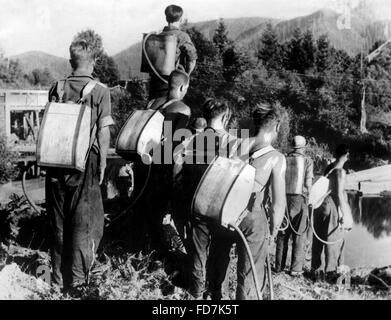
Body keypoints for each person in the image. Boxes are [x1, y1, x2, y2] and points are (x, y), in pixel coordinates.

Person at [46, 39, 114, 296]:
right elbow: (104, 130)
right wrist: (104, 162)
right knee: (83, 224)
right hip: (85, 163)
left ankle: (56, 280)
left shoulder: (57, 87)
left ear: (70, 62)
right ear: (94, 62)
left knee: (58, 221)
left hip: (55, 161)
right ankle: (77, 285)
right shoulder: (99, 90)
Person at [137, 69, 192, 254]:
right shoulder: (182, 109)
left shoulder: (153, 103)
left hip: (145, 166)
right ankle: (161, 257)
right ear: (183, 87)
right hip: (164, 170)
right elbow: (174, 146)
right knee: (167, 215)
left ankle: (144, 252)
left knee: (148, 215)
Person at [275, 136, 314, 276]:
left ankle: (278, 267)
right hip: (299, 200)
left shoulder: (283, 159)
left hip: (283, 199)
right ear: (303, 147)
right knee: (299, 235)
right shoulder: (308, 161)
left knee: (282, 234)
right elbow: (308, 185)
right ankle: (296, 269)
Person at [311, 144, 350, 282]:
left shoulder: (329, 168)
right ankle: (330, 272)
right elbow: (339, 194)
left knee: (319, 238)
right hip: (332, 205)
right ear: (346, 156)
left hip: (321, 205)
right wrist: (346, 214)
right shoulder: (340, 171)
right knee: (332, 239)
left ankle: (316, 271)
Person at [148, 5, 197, 99]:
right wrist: (186, 75)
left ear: (166, 17)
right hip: (174, 83)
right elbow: (192, 60)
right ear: (180, 19)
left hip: (155, 83)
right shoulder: (183, 36)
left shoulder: (156, 36)